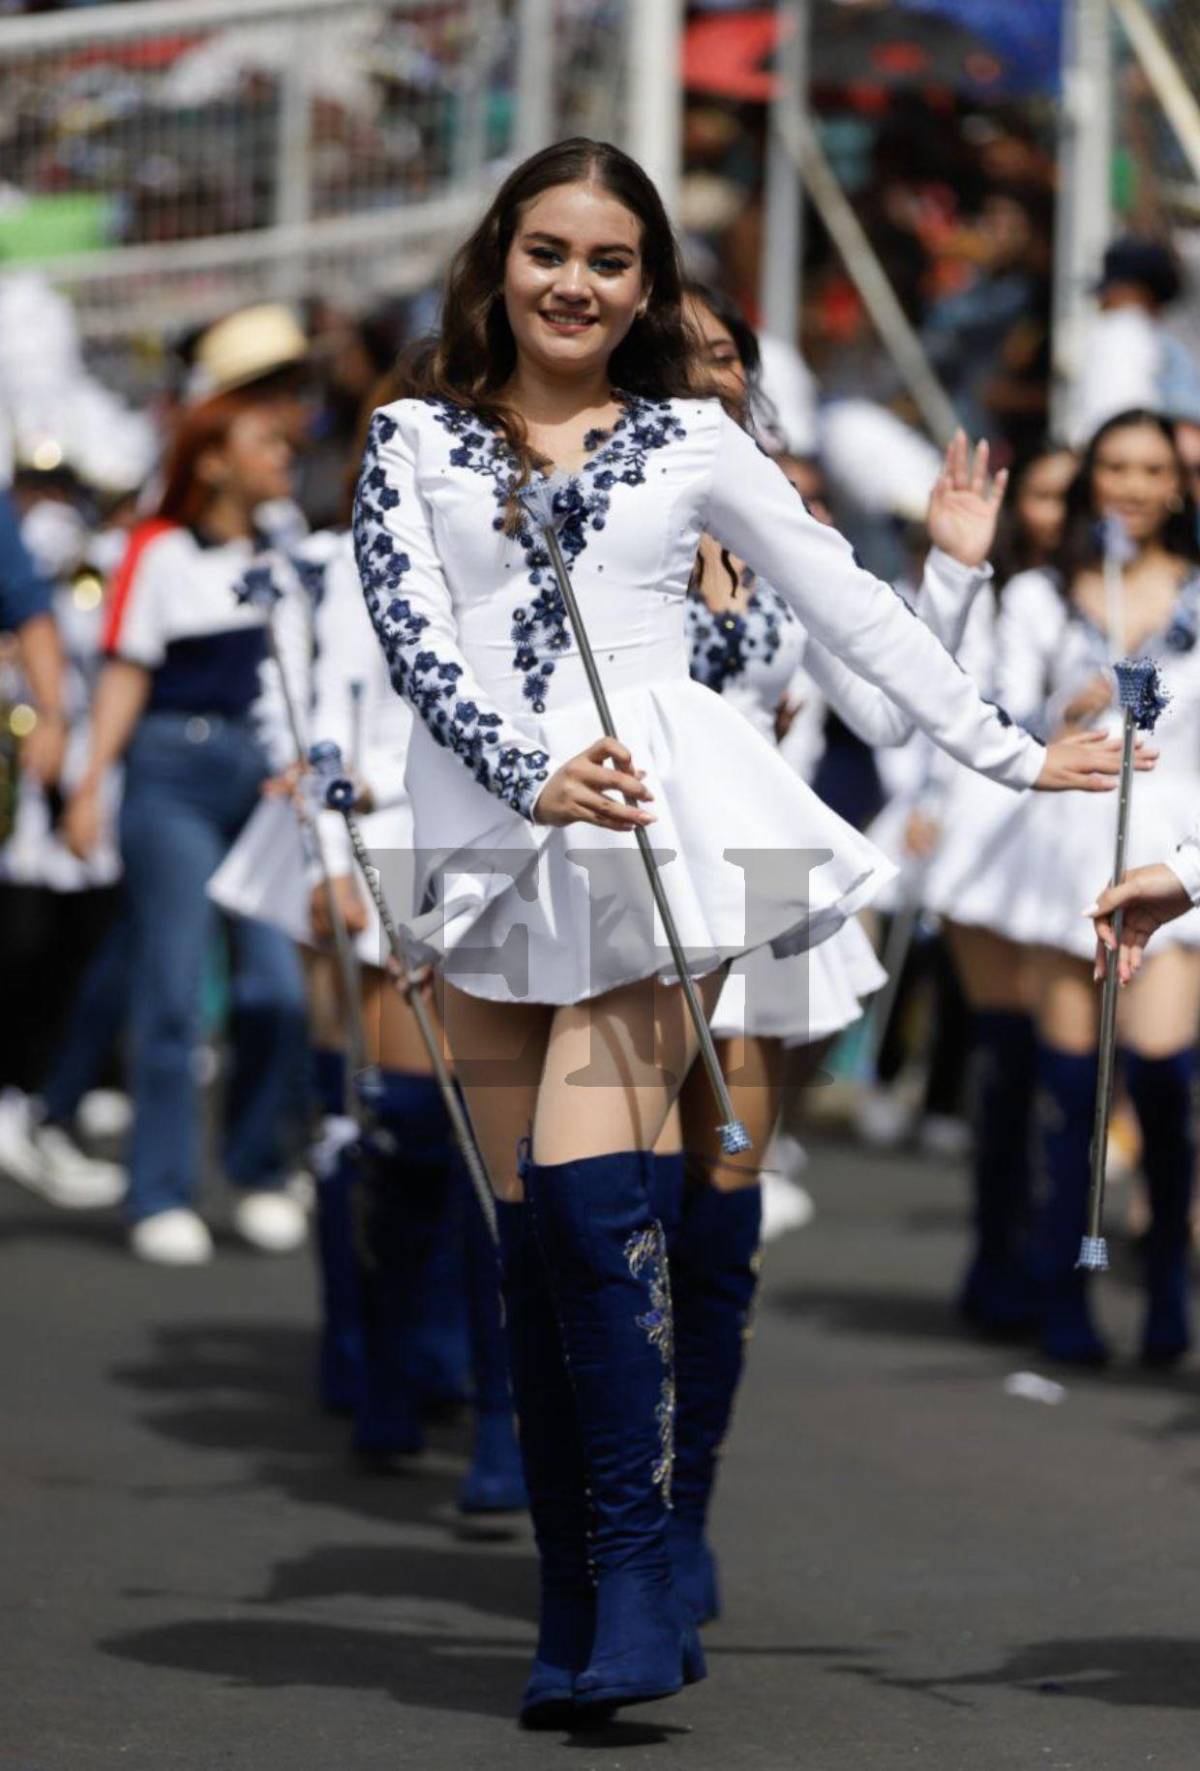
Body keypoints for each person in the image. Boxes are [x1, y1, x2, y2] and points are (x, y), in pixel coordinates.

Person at [350, 137, 1131, 1728]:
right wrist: (523, 770)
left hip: (690, 835)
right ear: (502, 255)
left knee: (634, 1206)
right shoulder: (413, 435)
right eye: (551, 251)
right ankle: (574, 1597)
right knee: (537, 1239)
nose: (577, 283)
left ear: (650, 289)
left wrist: (996, 728)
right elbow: (415, 640)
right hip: (485, 836)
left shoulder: (698, 446)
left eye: (613, 261)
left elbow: (849, 627)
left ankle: (649, 1562)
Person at [659, 279, 1007, 1627]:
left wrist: (952, 566)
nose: (702, 372)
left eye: (723, 354)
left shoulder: (782, 523)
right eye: (674, 354)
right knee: (588, 1197)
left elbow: (883, 700)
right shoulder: (564, 497)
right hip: (602, 870)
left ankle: (679, 1515)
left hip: (747, 871)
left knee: (717, 1202)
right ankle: (575, 1468)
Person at [63, 394, 310, 1265]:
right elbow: (128, 671)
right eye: (265, 439)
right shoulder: (159, 551)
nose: (284, 451)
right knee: (171, 987)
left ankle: (254, 1166)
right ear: (211, 460)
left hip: (268, 776)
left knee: (276, 989)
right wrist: (91, 783)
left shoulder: (286, 548)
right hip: (173, 771)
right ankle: (160, 1187)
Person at [980, 410, 1199, 1365]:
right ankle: (1065, 1286)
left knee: (1161, 1074)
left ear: (1179, 484)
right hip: (1068, 840)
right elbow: (993, 711)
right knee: (1071, 1088)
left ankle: (1166, 1283)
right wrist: (1056, 713)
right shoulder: (1037, 594)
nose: (1134, 485)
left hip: (1172, 848)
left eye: (1153, 468)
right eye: (1115, 465)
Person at [918, 441, 1077, 1333]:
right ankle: (999, 1252)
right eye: (1046, 494)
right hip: (992, 834)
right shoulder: (1000, 586)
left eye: (1069, 493)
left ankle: (1055, 1253)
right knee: (1009, 1057)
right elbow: (961, 697)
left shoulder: (1155, 591)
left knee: (1075, 1066)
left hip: (1083, 836)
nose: (1057, 511)